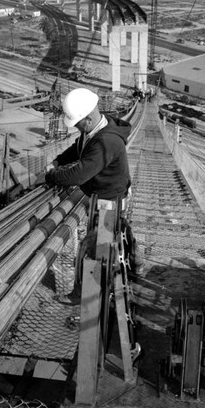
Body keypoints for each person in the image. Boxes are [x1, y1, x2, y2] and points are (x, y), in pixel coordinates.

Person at [42, 87, 144, 305]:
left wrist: (53, 175)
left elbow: (79, 174)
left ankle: (81, 294)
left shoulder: (106, 141)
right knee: (122, 229)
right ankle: (137, 262)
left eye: (77, 123)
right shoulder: (97, 128)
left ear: (87, 118)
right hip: (113, 197)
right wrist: (58, 161)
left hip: (109, 202)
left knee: (89, 249)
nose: (76, 128)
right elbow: (78, 149)